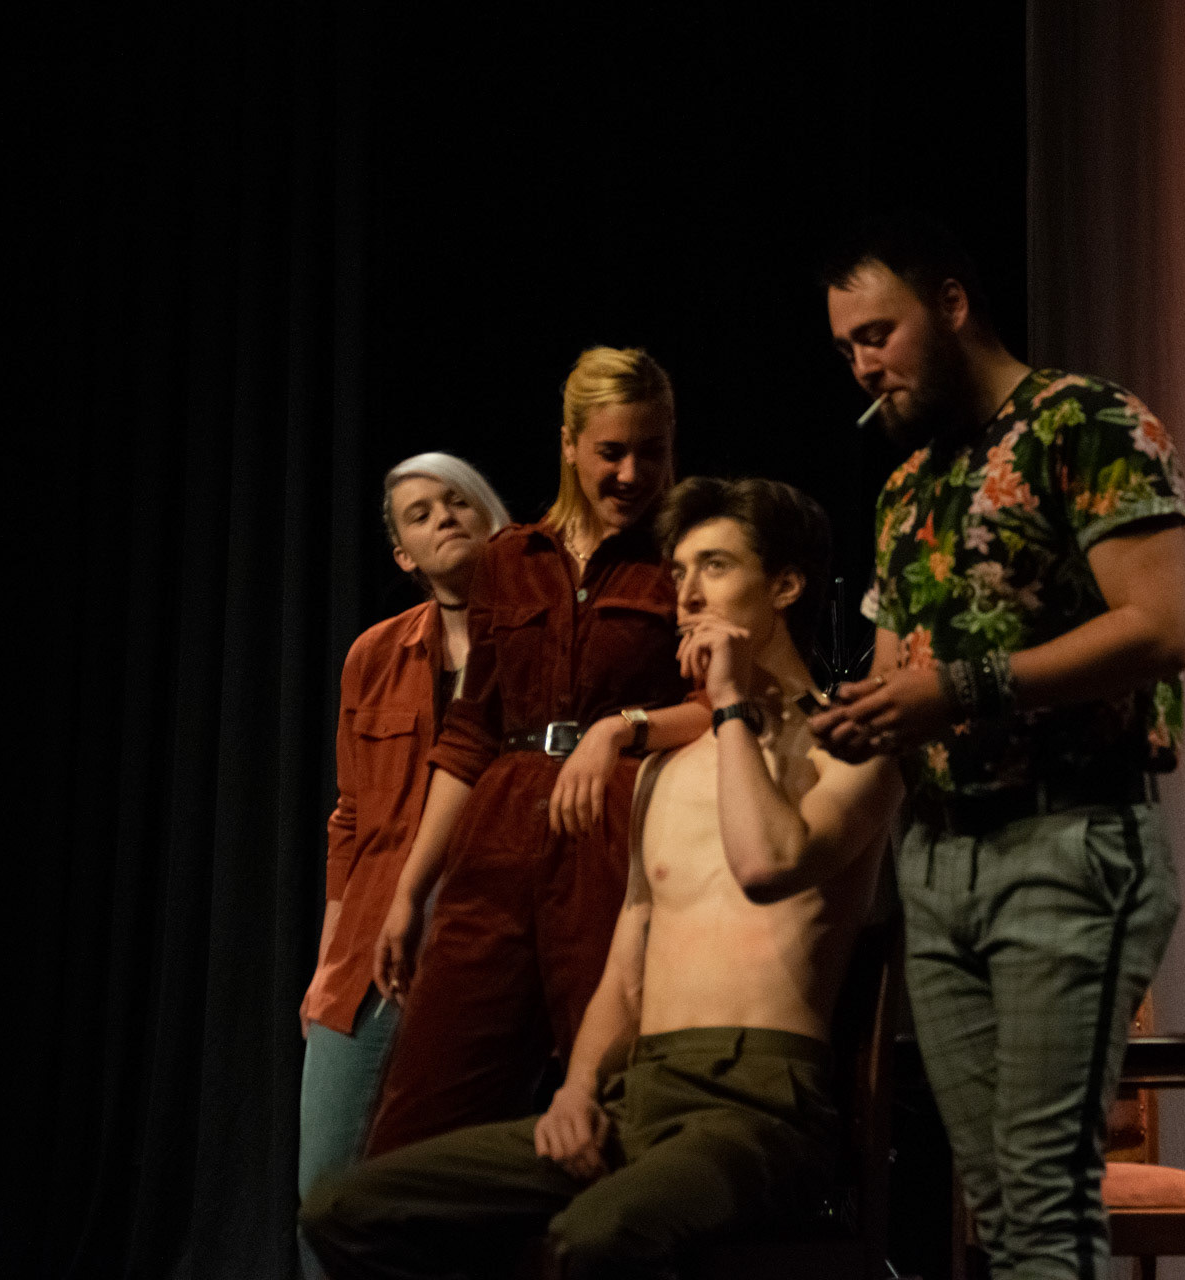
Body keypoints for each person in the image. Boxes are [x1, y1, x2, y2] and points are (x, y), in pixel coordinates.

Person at [301, 477, 904, 1280]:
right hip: (638, 1091)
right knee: (347, 1208)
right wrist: (579, 1090)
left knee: (593, 1237)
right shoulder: (665, 774)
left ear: (786, 586)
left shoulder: (853, 750)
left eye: (716, 567)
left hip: (762, 1104)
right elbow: (629, 960)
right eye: (679, 572)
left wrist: (729, 703)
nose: (687, 595)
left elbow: (767, 864)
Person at [810, 213, 1185, 1280]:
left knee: (1044, 1201)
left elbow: (1160, 627)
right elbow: (899, 677)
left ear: (952, 304)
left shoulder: (1087, 423)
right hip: (939, 859)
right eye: (846, 347)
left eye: (878, 333)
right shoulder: (906, 487)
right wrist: (855, 712)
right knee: (998, 1210)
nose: (863, 365)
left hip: (1066, 839)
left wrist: (958, 689)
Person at [365, 347, 711, 1157]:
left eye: (651, 451)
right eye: (611, 452)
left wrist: (621, 729)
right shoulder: (509, 560)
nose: (631, 474)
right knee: (419, 1120)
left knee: (611, 1112)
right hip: (497, 841)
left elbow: (719, 707)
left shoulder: (684, 560)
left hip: (615, 835)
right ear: (568, 444)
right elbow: (470, 733)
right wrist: (409, 892)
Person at [299, 452, 511, 1213]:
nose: (444, 518)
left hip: (489, 941)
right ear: (403, 556)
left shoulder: (538, 643)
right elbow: (351, 820)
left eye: (457, 501)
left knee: (454, 1192)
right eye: (420, 515)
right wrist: (328, 965)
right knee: (328, 1189)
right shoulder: (375, 655)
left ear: (490, 516)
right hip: (371, 948)